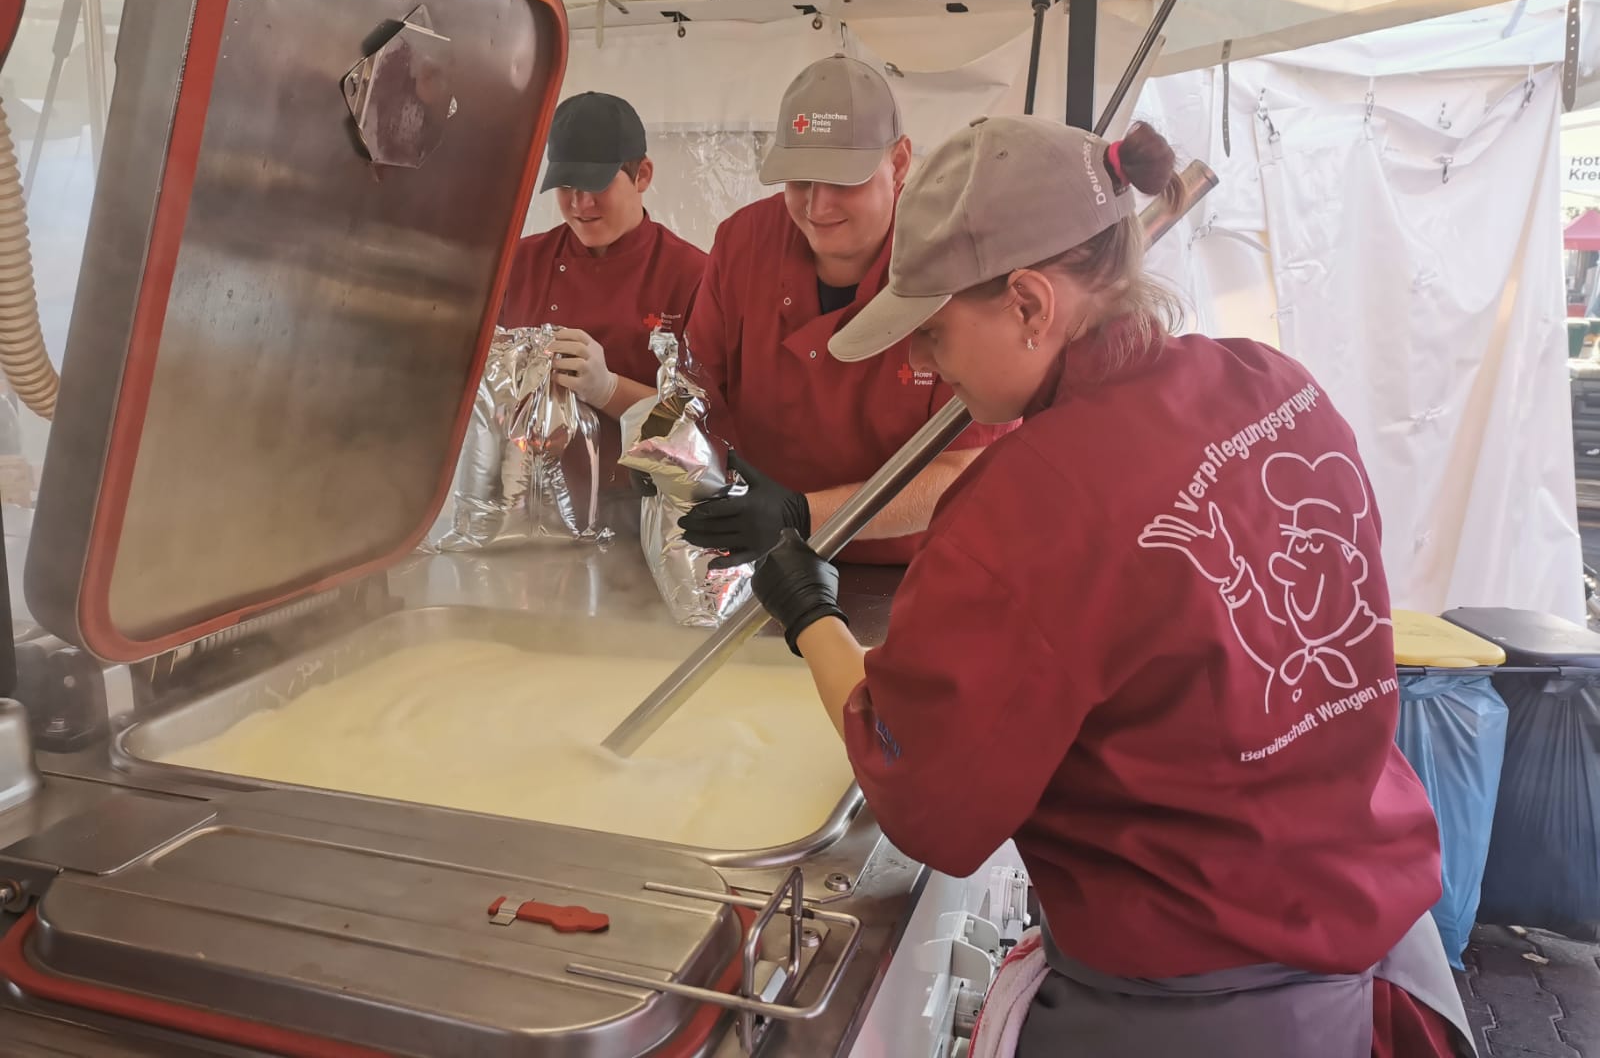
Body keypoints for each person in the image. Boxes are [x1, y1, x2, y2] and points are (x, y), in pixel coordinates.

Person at [749, 114, 1473, 1056]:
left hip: (1201, 1008)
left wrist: (812, 615)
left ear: (1029, 304)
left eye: (932, 331)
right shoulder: (1272, 383)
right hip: (1374, 937)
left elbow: (925, 799)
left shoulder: (1029, 504)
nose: (919, 364)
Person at [678, 55, 1014, 568]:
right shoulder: (743, 242)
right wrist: (670, 446)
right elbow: (697, 390)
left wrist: (802, 514)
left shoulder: (957, 259)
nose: (817, 207)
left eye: (843, 180)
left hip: (908, 566)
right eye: (799, 181)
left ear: (899, 163)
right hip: (762, 554)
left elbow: (966, 466)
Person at [500, 91, 706, 511]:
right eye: (567, 187)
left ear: (642, 175)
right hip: (526, 502)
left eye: (596, 186)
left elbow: (704, 427)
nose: (581, 205)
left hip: (640, 506)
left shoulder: (692, 275)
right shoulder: (519, 263)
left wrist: (608, 389)